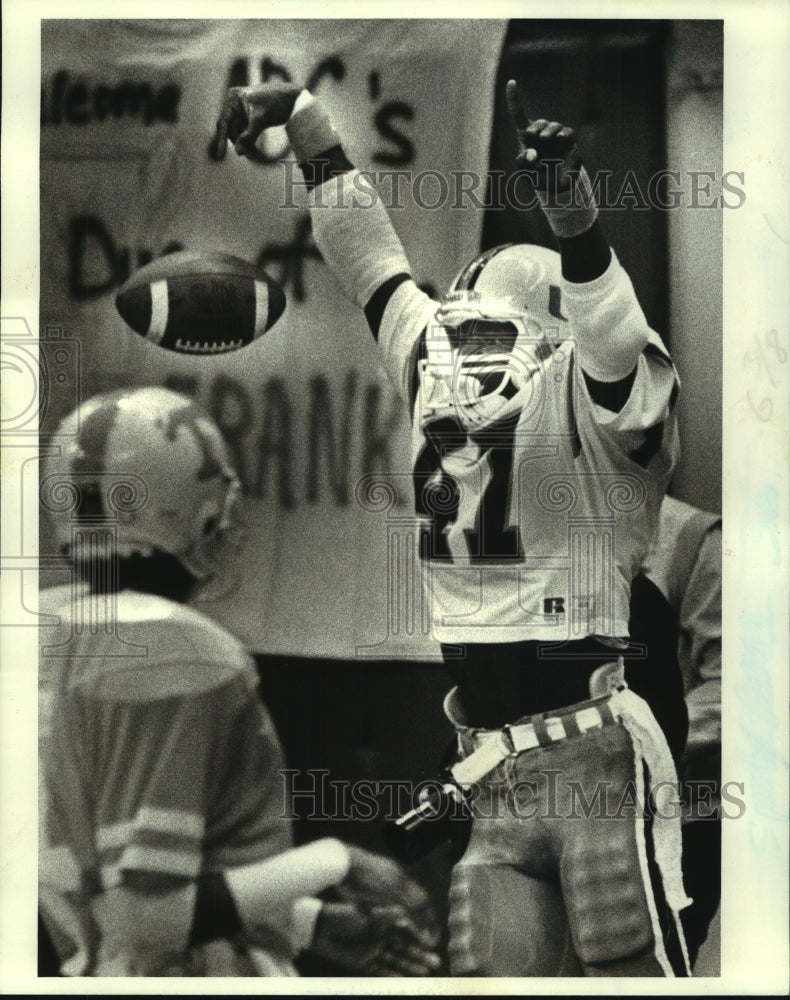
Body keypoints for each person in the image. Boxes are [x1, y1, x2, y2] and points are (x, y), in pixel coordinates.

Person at [211, 78, 689, 976]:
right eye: (453, 337)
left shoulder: (594, 402)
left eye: (484, 341)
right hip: (488, 768)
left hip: (594, 749)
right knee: (485, 977)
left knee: (631, 971)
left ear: (554, 345)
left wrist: (575, 219)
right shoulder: (433, 358)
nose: (454, 364)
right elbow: (368, 257)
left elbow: (613, 332)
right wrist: (310, 124)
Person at [38, 386, 439, 978]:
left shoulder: (39, 632)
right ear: (180, 506)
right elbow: (142, 918)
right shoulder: (178, 651)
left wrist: (302, 920)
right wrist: (337, 861)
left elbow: (106, 872)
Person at [642, 494, 723, 967]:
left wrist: (635, 748)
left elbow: (736, 685)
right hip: (555, 815)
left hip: (676, 825)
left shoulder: (692, 538)